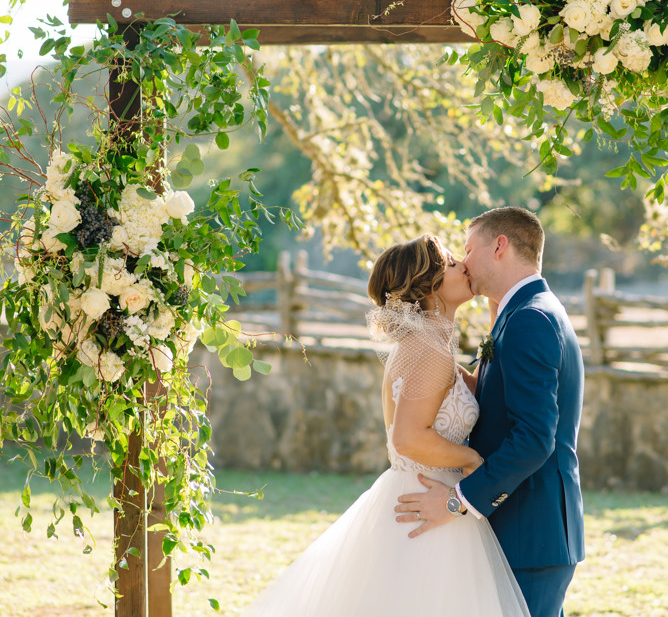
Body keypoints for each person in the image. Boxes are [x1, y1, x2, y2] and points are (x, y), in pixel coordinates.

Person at [241, 234, 530, 616]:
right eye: (450, 263)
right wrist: (473, 462)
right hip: (426, 501)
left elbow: (476, 391)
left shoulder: (430, 344)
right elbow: (408, 438)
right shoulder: (428, 350)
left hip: (425, 494)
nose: (463, 265)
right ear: (429, 285)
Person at [394, 207, 585, 617]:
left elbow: (534, 439)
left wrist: (457, 501)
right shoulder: (517, 315)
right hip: (513, 528)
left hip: (529, 533)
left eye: (467, 249)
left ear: (499, 246)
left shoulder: (529, 319)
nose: (463, 262)